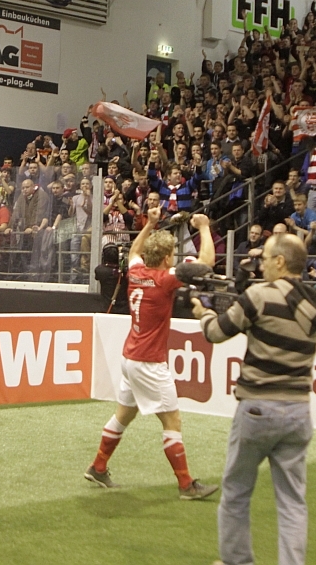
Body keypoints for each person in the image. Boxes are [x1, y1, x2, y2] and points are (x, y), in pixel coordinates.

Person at [193, 233, 316, 565]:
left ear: (280, 262)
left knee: (237, 491)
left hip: (257, 406)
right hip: (298, 409)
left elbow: (216, 332)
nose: (261, 265)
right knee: (293, 502)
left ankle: (236, 560)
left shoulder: (258, 296)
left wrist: (202, 312)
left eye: (265, 259)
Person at [84, 207, 219, 501]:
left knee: (124, 415)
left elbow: (134, 250)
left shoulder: (136, 272)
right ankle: (186, 485)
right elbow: (207, 263)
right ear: (168, 258)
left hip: (130, 357)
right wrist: (204, 227)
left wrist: (151, 224)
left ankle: (98, 467)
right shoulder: (165, 279)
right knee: (173, 422)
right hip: (148, 362)